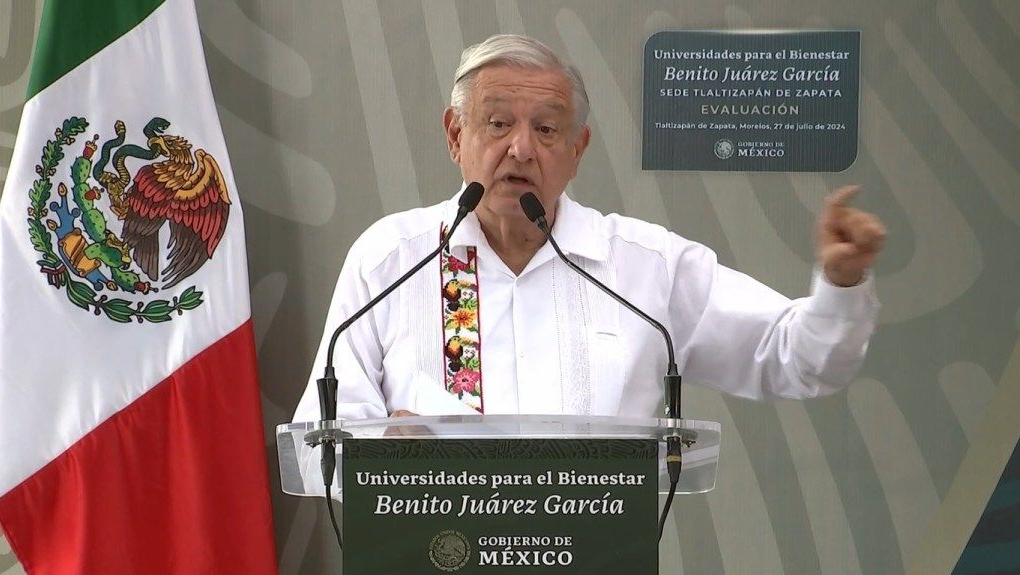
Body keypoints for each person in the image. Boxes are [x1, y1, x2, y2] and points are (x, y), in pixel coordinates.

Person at [292, 34, 885, 424]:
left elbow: (794, 358)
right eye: (497, 124)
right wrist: (385, 458)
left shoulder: (644, 267)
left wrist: (841, 283)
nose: (520, 149)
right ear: (455, 136)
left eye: (547, 130)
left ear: (578, 150)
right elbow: (323, 434)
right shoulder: (393, 260)